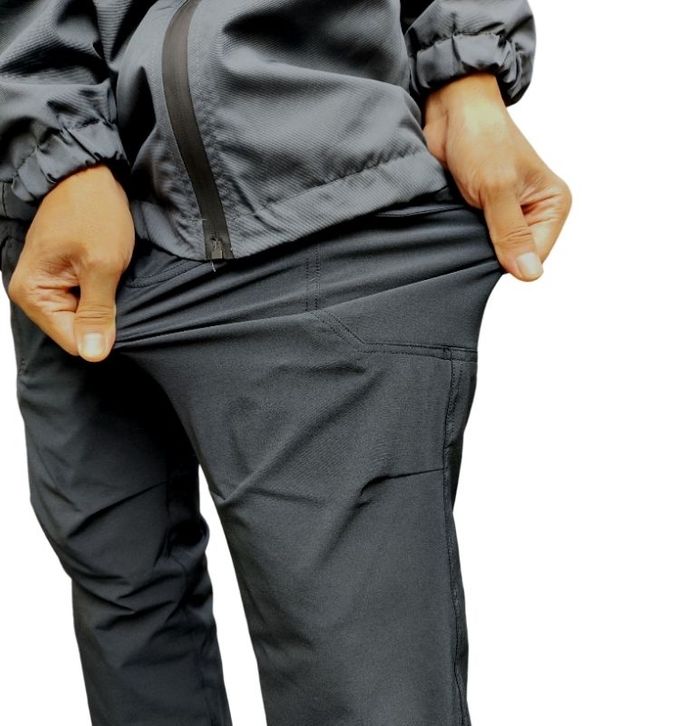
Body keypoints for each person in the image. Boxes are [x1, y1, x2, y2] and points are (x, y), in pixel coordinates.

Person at [0, 1, 571, 724]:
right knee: (131, 626)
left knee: (360, 692)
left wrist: (466, 67)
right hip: (61, 234)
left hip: (308, 196)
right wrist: (55, 150)